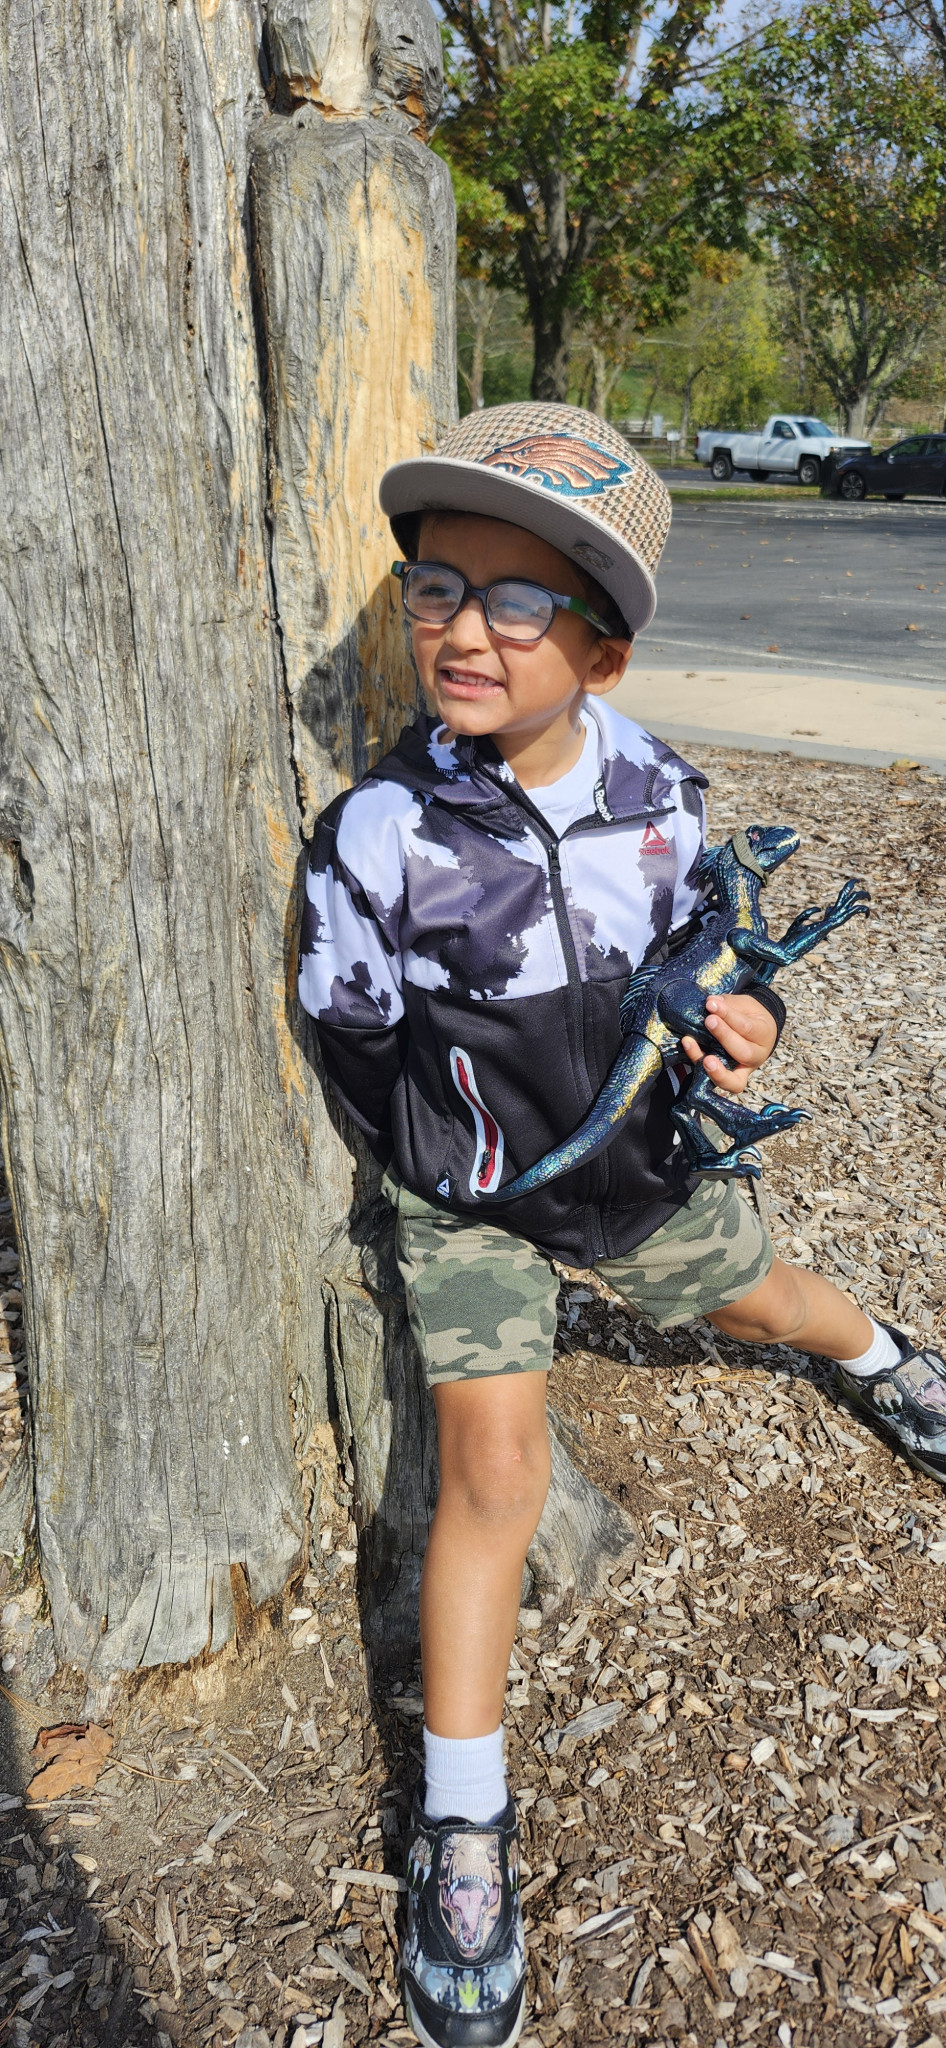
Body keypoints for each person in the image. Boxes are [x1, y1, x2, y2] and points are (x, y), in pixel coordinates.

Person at [298, 402, 946, 2048]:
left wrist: (747, 1029)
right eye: (438, 587)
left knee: (771, 1299)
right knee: (490, 1475)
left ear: (602, 651)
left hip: (644, 1171)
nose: (465, 628)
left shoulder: (660, 791)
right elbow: (348, 1028)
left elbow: (714, 957)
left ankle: (889, 1359)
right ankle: (464, 1819)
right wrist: (448, 1159)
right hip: (474, 1206)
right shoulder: (378, 835)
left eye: (519, 600)